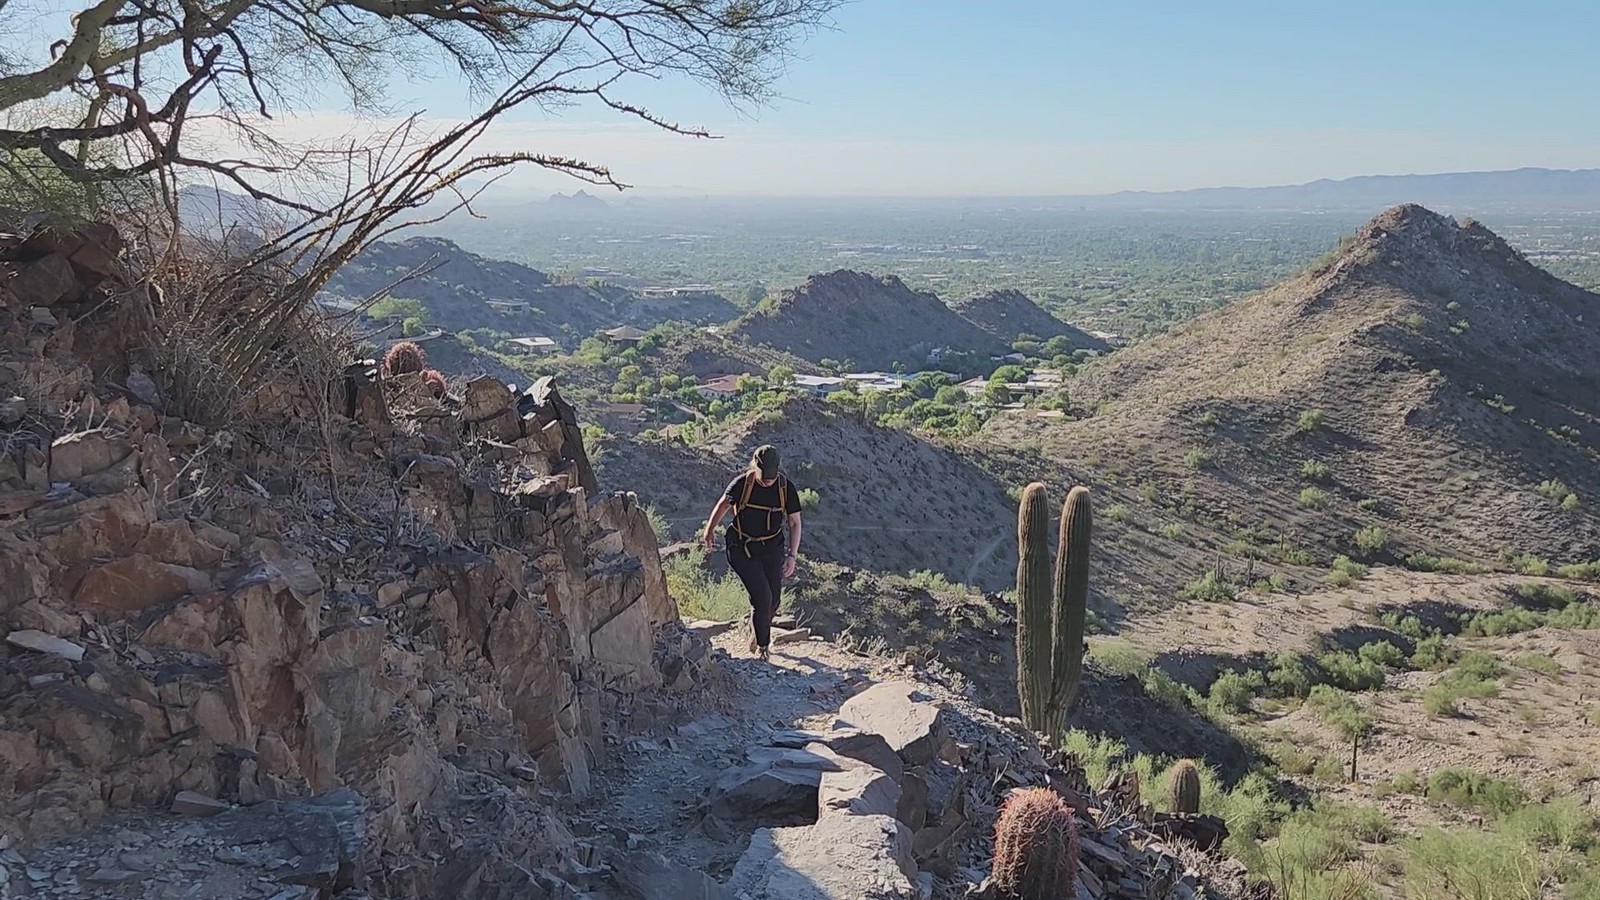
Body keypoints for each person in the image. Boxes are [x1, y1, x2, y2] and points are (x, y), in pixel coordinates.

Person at [701, 444, 803, 660]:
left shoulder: (786, 488)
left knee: (774, 600)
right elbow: (723, 506)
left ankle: (756, 630)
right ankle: (763, 649)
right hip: (742, 548)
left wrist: (792, 556)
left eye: (771, 477)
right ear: (754, 466)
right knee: (762, 597)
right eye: (764, 476)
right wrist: (710, 531)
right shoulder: (742, 483)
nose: (767, 480)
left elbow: (794, 523)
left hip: (771, 548)